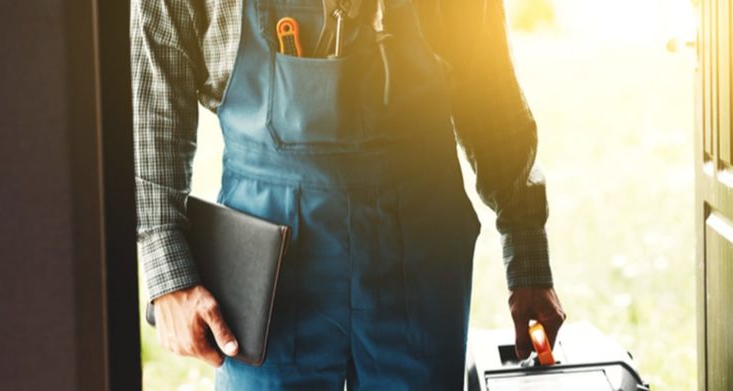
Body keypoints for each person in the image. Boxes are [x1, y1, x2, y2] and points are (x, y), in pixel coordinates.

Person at [131, 0, 566, 389]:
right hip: (267, 273)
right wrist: (168, 271)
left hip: (418, 259)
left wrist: (528, 254)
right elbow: (155, 101)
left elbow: (491, 96)